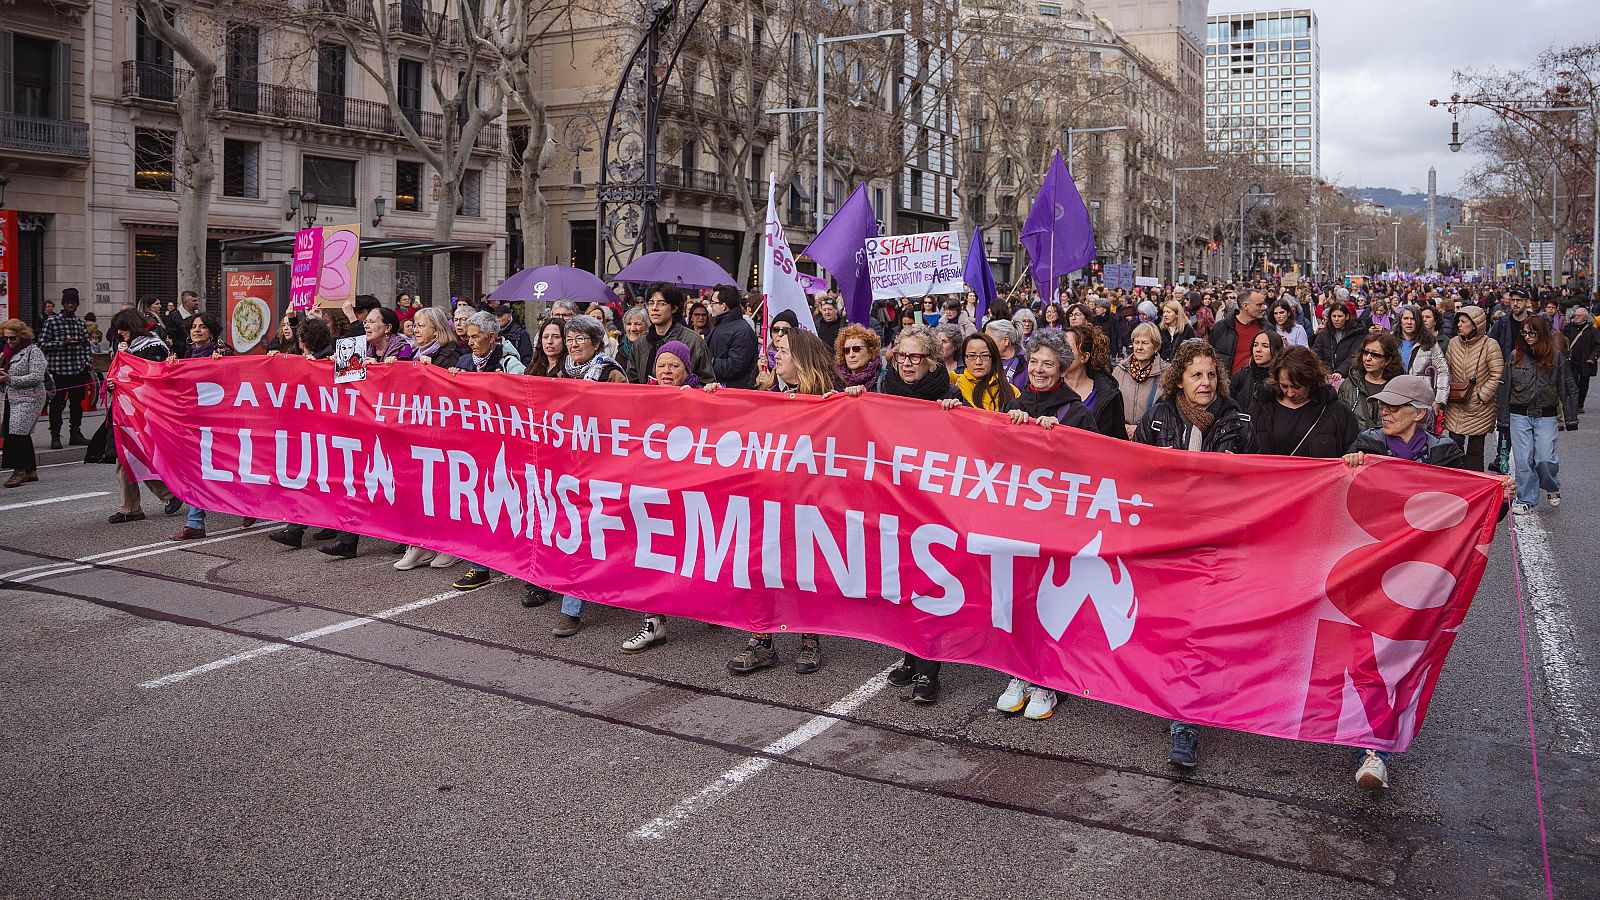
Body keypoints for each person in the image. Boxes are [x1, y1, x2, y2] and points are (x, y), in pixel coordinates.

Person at [1341, 373, 1508, 790]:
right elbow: (1339, 498)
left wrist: (1499, 497)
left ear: (1419, 414)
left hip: (1423, 575)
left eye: (1395, 406)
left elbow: (1472, 509)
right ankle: (1369, 743)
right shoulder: (1367, 443)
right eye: (1384, 404)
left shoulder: (1445, 453)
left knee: (1400, 656)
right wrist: (1347, 466)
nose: (1386, 411)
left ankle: (1375, 745)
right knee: (1369, 654)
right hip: (1371, 569)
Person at [1133, 340, 1252, 768]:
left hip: (1212, 541)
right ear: (1179, 379)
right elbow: (1135, 471)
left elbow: (1256, 479)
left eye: (1210, 374)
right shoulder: (1160, 416)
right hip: (1165, 539)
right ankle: (1164, 696)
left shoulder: (1237, 419)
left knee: (1195, 631)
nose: (1204, 382)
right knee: (1166, 627)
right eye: (1195, 374)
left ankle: (1185, 724)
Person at [992, 328, 1097, 719]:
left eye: (1047, 364)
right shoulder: (1012, 407)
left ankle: (1047, 681)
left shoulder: (1078, 413)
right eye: (1033, 361)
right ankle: (1020, 672)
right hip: (1015, 525)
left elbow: (1095, 470)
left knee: (1051, 604)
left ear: (1061, 370)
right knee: (1017, 601)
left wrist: (1063, 440)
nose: (1038, 369)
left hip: (1056, 528)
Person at [726, 328, 842, 676]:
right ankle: (761, 640)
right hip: (766, 499)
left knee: (804, 569)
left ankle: (810, 638)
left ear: (803, 359)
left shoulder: (828, 402)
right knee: (760, 566)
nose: (777, 357)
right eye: (776, 350)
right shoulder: (766, 396)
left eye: (785, 352)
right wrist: (715, 397)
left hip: (808, 501)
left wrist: (849, 400)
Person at [863, 324, 967, 703]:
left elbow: (975, 440)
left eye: (915, 357)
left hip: (932, 507)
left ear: (931, 361)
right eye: (901, 356)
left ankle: (928, 667)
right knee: (901, 583)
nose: (906, 363)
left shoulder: (949, 394)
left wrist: (959, 414)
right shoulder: (881, 388)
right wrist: (854, 400)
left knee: (929, 585)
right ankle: (909, 654)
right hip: (893, 501)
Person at [268, 319, 343, 550]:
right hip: (316, 430)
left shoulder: (330, 360)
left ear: (304, 340)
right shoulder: (310, 360)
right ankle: (307, 526)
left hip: (328, 432)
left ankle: (298, 528)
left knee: (316, 479)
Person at [105, 309, 182, 523]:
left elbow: (156, 379)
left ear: (132, 326)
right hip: (125, 410)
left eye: (123, 327)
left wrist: (125, 367)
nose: (120, 332)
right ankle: (133, 506)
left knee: (137, 455)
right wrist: (112, 384)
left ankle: (167, 494)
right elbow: (119, 375)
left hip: (144, 412)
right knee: (126, 456)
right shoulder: (125, 348)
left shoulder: (154, 347)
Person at [1497, 314, 1578, 514]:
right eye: (1524, 332)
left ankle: (1551, 485)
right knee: (1523, 460)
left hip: (1546, 414)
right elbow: (1505, 387)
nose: (1528, 336)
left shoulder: (1556, 356)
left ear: (1541, 333)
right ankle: (1527, 499)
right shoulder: (1515, 355)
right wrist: (1503, 419)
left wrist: (1570, 418)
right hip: (1519, 414)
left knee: (1544, 457)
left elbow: (1567, 387)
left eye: (1532, 332)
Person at [169, 314, 236, 540]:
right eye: (194, 327)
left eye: (203, 327)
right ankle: (195, 522)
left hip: (220, 424)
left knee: (229, 468)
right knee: (196, 469)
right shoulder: (188, 354)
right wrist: (171, 369)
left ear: (211, 331)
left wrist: (223, 366)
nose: (197, 330)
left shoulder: (222, 352)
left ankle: (252, 504)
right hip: (195, 423)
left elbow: (239, 381)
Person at [1249, 346, 1358, 458]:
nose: (1290, 393)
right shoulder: (1261, 407)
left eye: (1297, 387)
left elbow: (1352, 448)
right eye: (1284, 386)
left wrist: (1352, 456)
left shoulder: (1338, 412)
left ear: (1311, 381)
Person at [1444, 305, 1504, 472]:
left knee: (1475, 450)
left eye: (1464, 322)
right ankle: (1456, 481)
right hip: (1456, 402)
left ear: (1476, 324)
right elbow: (1446, 369)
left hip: (1480, 406)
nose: (1459, 325)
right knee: (1454, 445)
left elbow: (1497, 373)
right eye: (1459, 321)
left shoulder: (1490, 345)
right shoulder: (1453, 343)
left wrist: (1482, 395)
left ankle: (1475, 485)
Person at [37, 288, 94, 449]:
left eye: (73, 303)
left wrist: (87, 362)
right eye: (68, 302)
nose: (71, 305)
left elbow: (86, 346)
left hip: (77, 370)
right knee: (57, 405)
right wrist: (63, 343)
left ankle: (75, 433)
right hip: (59, 371)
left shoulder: (79, 322)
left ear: (77, 305)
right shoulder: (52, 321)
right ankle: (55, 435)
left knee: (77, 404)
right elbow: (42, 344)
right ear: (63, 304)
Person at [625, 283, 715, 385]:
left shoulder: (693, 341)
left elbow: (707, 382)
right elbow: (632, 383)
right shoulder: (640, 344)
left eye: (661, 303)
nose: (654, 308)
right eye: (650, 303)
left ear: (674, 308)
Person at [1, 319, 47, 488]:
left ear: (22, 336)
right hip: (12, 397)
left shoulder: (33, 351)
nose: (9, 341)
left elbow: (37, 376)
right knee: (19, 432)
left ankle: (18, 471)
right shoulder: (7, 352)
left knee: (16, 435)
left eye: (12, 338)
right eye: (6, 338)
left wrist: (10, 379)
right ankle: (31, 470)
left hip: (30, 398)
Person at [1063, 324, 1126, 440]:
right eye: (1059, 347)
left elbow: (1119, 440)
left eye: (1067, 349)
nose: (1060, 353)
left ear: (1084, 357)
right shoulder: (1049, 386)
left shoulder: (1109, 395)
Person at [1339, 332, 1403, 433]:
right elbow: (1340, 422)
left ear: (1387, 360)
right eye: (1365, 352)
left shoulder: (1399, 388)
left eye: (1375, 355)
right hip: (1356, 445)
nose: (1368, 358)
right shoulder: (1348, 385)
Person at [1114, 323, 1167, 438]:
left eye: (1145, 343)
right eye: (1136, 342)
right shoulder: (1120, 370)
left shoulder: (1167, 373)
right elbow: (1111, 405)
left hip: (1150, 436)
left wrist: (1140, 427)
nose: (1139, 347)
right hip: (1121, 434)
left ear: (1156, 347)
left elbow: (1168, 411)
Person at [705, 284, 758, 390]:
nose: (711, 307)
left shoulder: (743, 331)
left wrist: (709, 362)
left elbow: (735, 366)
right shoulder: (720, 324)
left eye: (713, 303)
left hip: (732, 392)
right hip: (717, 388)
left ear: (723, 305)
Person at [949, 331, 1017, 411]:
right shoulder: (953, 381)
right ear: (964, 359)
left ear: (993, 358)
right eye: (972, 356)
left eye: (985, 356)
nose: (978, 362)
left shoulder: (1011, 391)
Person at [1229, 330, 1286, 410]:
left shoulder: (1281, 379)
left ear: (1276, 351)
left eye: (1265, 346)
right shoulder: (1240, 376)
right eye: (1255, 345)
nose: (1258, 350)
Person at [1312, 301, 1364, 378]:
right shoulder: (1324, 333)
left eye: (1340, 316)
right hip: (1325, 375)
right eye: (1334, 316)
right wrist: (1322, 371)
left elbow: (1353, 356)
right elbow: (1316, 354)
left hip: (1347, 376)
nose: (1336, 319)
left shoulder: (1356, 334)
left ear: (1346, 317)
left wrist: (1340, 371)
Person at [1561, 307, 1596, 413]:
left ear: (1585, 317)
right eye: (1575, 315)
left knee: (1584, 383)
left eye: (1578, 315)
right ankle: (1573, 404)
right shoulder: (1568, 328)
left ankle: (1580, 403)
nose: (1576, 317)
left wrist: (1593, 357)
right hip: (1572, 361)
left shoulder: (1592, 331)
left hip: (1586, 361)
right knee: (1573, 383)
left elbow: (1597, 346)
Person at [835, 324, 884, 392]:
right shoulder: (836, 380)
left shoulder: (884, 379)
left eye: (856, 349)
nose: (851, 355)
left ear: (870, 352)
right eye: (846, 350)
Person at [983, 318, 1026, 390]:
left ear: (1006, 340)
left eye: (989, 340)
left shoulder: (1024, 360)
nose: (986, 344)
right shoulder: (987, 360)